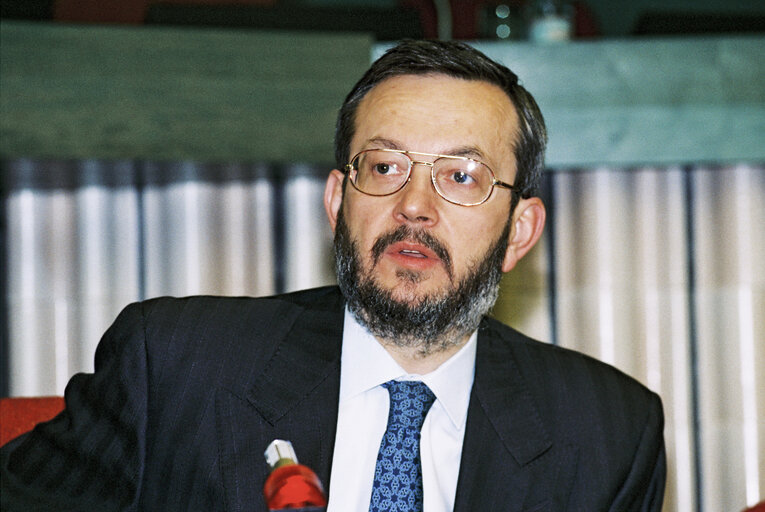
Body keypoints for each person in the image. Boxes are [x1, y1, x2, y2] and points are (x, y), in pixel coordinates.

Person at [1, 40, 665, 511]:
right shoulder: (177, 363)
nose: (414, 205)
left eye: (460, 177)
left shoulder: (605, 431)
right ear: (336, 202)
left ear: (518, 230)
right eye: (383, 167)